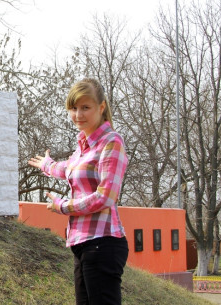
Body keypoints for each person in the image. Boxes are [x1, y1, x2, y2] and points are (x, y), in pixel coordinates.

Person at [28, 78, 129, 305]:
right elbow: (71, 170)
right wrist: (47, 164)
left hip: (103, 242)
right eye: (73, 108)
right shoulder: (83, 145)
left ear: (101, 107)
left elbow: (105, 196)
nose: (78, 115)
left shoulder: (112, 142)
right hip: (83, 243)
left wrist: (63, 206)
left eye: (85, 107)